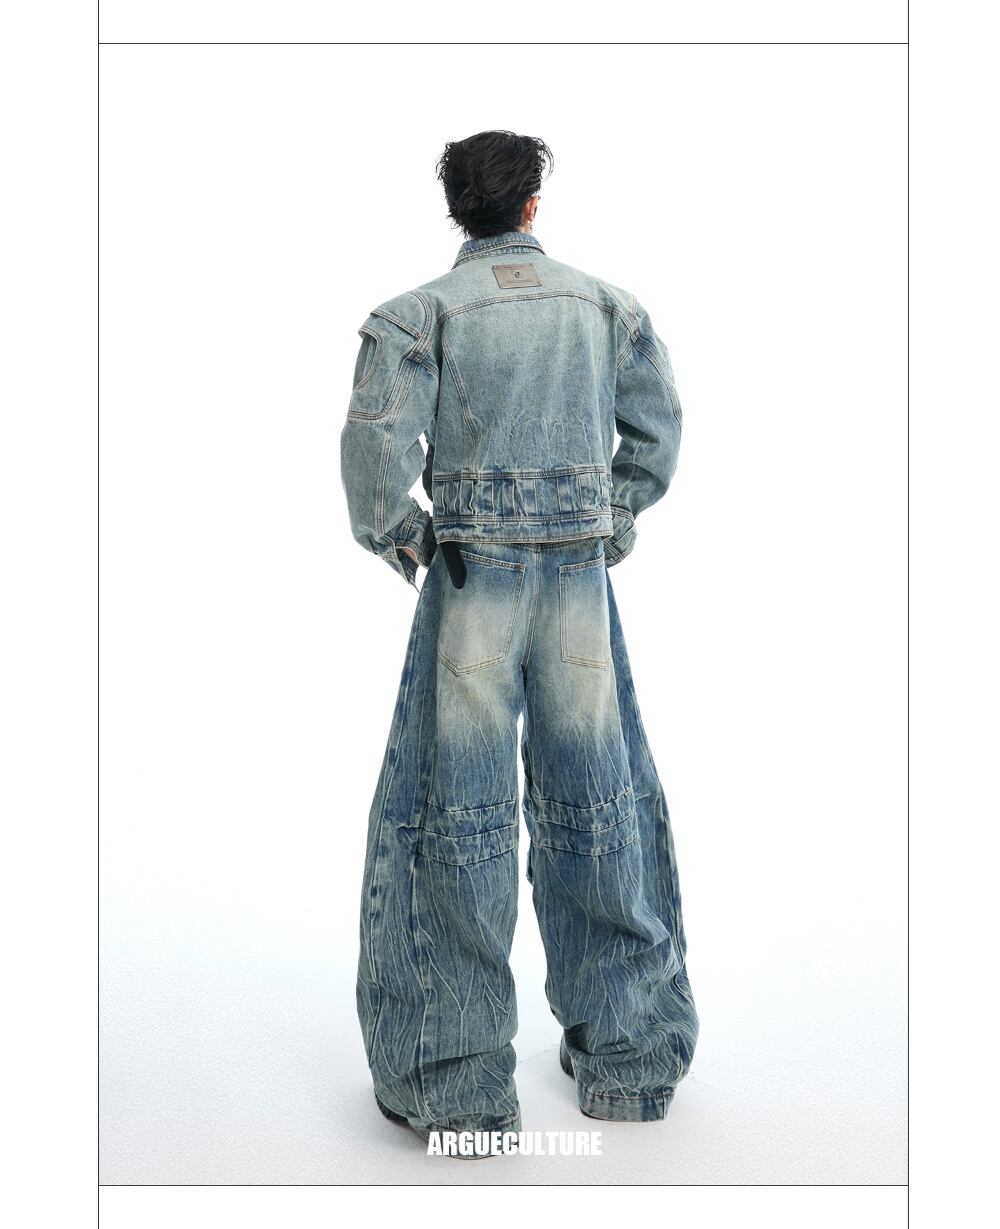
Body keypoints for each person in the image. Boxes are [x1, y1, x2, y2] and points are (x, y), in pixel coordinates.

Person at [341, 129, 699, 1157]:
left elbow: (374, 452)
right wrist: (606, 522)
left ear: (459, 208)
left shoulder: (415, 316)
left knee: (452, 815)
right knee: (601, 799)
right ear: (533, 203)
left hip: (471, 587)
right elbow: (657, 432)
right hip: (577, 585)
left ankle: (457, 1086)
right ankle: (630, 1062)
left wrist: (409, 538)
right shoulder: (606, 306)